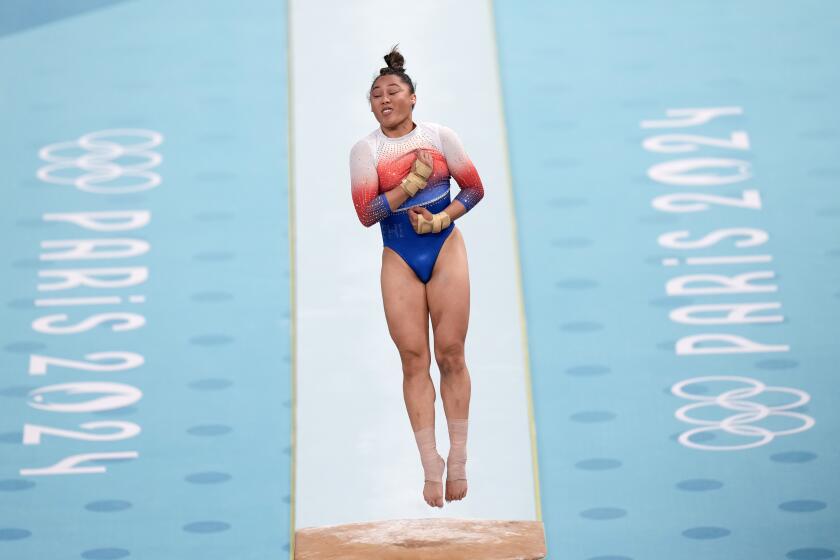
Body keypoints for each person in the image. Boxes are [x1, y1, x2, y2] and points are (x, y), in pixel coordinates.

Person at [349, 45, 485, 508]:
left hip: (443, 246)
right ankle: (431, 464)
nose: (384, 98)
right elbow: (367, 212)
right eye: (375, 95)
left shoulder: (440, 136)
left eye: (393, 91)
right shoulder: (365, 150)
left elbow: (474, 188)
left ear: (412, 98)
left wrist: (444, 217)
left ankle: (460, 456)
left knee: (451, 352)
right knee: (413, 359)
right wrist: (407, 187)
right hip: (399, 254)